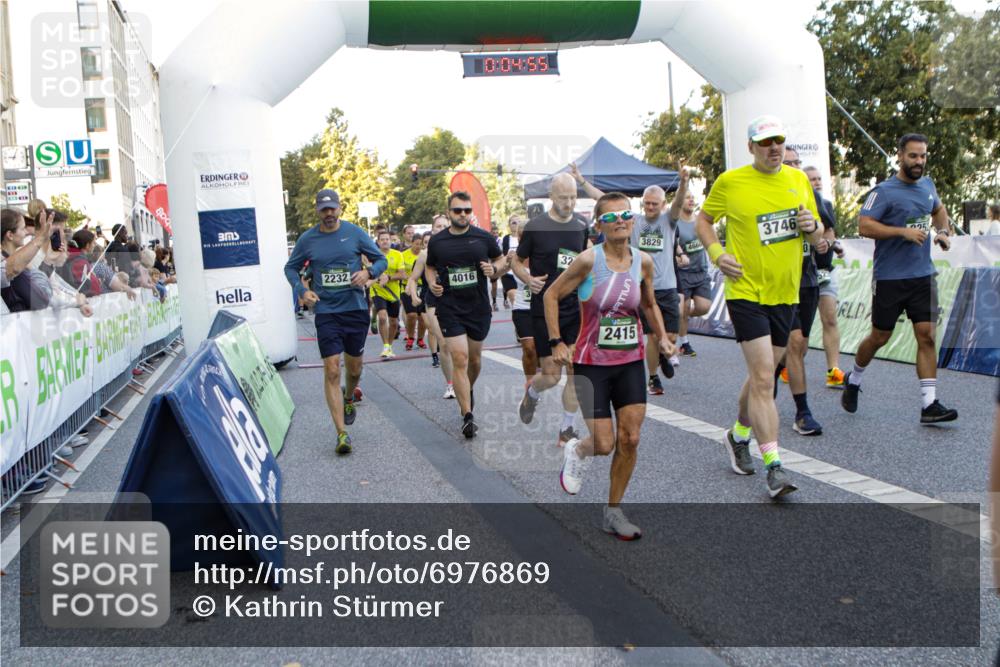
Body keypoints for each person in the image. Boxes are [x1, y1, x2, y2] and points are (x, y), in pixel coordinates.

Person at [695, 115, 824, 498]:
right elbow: (704, 221)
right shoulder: (731, 182)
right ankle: (774, 466)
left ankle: (738, 435)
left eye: (778, 140)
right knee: (766, 378)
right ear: (751, 147)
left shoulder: (798, 180)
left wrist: (811, 227)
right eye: (765, 142)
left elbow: (817, 233)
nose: (774, 148)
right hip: (745, 291)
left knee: (761, 376)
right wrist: (717, 253)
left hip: (785, 293)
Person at [549, 192, 675, 539]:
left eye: (625, 215)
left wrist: (662, 337)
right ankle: (579, 448)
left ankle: (614, 511)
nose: (620, 221)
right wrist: (557, 341)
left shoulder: (643, 262)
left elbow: (648, 304)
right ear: (599, 225)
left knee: (630, 438)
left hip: (630, 360)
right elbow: (551, 295)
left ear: (633, 220)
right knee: (604, 444)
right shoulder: (588, 261)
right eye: (610, 217)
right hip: (591, 363)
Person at [842, 133, 958, 424]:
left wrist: (943, 232)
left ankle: (929, 405)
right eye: (913, 156)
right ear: (900, 156)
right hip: (890, 278)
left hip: (923, 276)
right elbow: (864, 226)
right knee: (880, 337)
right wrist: (901, 232)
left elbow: (939, 210)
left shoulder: (928, 185)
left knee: (927, 336)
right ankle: (854, 379)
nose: (919, 161)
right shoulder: (884, 191)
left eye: (923, 156)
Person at [284, 189, 387, 455]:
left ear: (339, 208)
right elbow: (290, 268)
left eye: (332, 208)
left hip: (355, 309)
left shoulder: (354, 233)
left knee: (354, 370)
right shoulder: (308, 239)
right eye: (324, 209)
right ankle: (342, 433)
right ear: (317, 211)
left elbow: (381, 259)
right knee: (331, 369)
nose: (328, 213)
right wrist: (302, 290)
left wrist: (368, 272)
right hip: (327, 311)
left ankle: (348, 395)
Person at [514, 173, 590, 447]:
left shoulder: (581, 225)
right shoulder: (536, 227)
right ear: (551, 197)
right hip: (544, 309)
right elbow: (516, 261)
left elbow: (586, 261)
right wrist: (528, 279)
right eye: (563, 198)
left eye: (573, 197)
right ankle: (532, 392)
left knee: (575, 373)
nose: (569, 203)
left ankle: (566, 429)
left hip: (574, 309)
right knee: (551, 375)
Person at [425, 192, 504, 438]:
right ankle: (468, 415)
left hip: (478, 308)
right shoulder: (437, 241)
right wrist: (432, 283)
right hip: (450, 307)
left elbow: (501, 261)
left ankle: (467, 389)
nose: (462, 214)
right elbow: (429, 266)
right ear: (449, 212)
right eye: (458, 210)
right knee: (460, 358)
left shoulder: (483, 237)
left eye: (467, 210)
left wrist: (494, 269)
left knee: (475, 360)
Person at [772, 147, 831, 436]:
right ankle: (803, 413)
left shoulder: (812, 196)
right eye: (789, 163)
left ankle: (771, 371)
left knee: (800, 346)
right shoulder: (770, 196)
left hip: (807, 280)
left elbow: (826, 230)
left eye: (798, 162)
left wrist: (824, 242)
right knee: (794, 343)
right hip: (781, 282)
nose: (795, 167)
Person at [801, 165, 847, 388]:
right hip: (801, 274)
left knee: (829, 318)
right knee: (802, 329)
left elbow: (829, 233)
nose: (817, 182)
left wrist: (828, 244)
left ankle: (833, 371)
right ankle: (790, 365)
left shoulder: (825, 204)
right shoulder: (796, 204)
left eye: (819, 178)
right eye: (812, 179)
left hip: (823, 270)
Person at [407, 217, 456, 398]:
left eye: (445, 225)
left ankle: (462, 378)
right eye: (438, 226)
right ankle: (450, 385)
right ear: (433, 229)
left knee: (460, 345)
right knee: (443, 342)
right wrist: (414, 295)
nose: (441, 228)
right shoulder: (425, 254)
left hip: (456, 299)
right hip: (434, 299)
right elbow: (413, 279)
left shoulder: (457, 248)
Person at [675, 185, 711, 359]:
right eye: (687, 197)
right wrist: (678, 258)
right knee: (684, 308)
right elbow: (671, 247)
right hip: (684, 273)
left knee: (704, 307)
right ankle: (684, 343)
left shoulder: (700, 221)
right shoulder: (675, 223)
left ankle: (677, 315)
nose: (691, 200)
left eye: (692, 197)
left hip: (701, 271)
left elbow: (709, 239)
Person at [500, 216, 537, 386]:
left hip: (543, 308)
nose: (523, 239)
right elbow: (496, 274)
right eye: (521, 235)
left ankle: (538, 375)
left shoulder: (543, 255)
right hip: (522, 308)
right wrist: (500, 266)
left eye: (527, 235)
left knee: (541, 354)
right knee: (529, 348)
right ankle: (529, 384)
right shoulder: (514, 256)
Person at [2, 208, 53, 312]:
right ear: (10, 235)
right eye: (23, 228)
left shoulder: (13, 261)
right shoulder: (12, 267)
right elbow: (40, 300)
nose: (26, 232)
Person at [369, 230, 406, 359]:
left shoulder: (397, 255)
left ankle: (389, 346)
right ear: (378, 242)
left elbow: (402, 274)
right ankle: (385, 346)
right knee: (383, 316)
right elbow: (369, 272)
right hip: (378, 290)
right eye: (382, 239)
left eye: (387, 239)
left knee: (394, 322)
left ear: (391, 241)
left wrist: (388, 277)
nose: (385, 241)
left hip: (393, 292)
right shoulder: (373, 255)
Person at [400, 233, 427, 351]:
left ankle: (420, 339)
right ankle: (410, 337)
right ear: (411, 243)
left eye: (421, 244)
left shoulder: (424, 255)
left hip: (422, 287)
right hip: (407, 287)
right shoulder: (403, 255)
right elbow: (400, 270)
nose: (418, 247)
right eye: (416, 244)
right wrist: (407, 277)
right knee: (412, 315)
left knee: (422, 317)